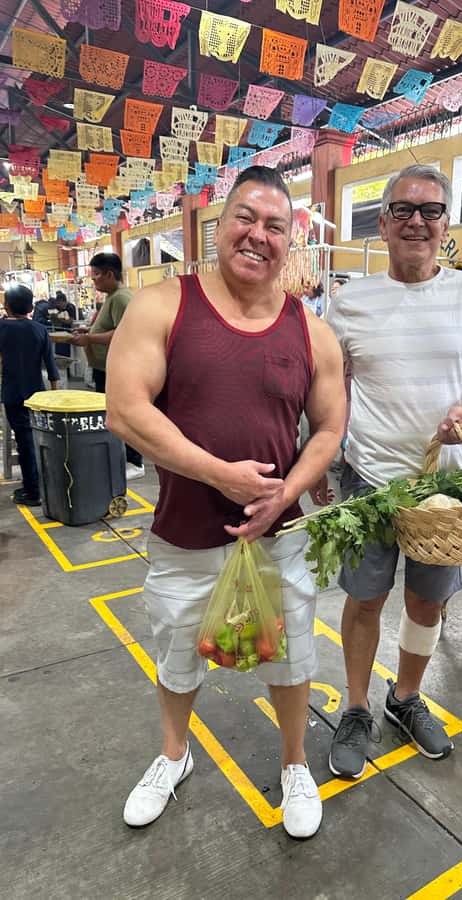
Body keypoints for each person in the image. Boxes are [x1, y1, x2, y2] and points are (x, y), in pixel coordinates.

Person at [105, 166, 345, 838]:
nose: (257, 235)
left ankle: (295, 763)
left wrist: (283, 493)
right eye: (245, 217)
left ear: (290, 240)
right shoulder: (163, 306)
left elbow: (329, 428)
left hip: (279, 533)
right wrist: (220, 476)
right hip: (185, 532)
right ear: (220, 226)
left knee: (291, 655)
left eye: (275, 225)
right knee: (176, 652)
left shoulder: (311, 331)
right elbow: (125, 410)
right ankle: (173, 755)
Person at [320, 164, 462, 778]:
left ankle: (404, 698)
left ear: (446, 223)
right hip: (369, 477)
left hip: (445, 488)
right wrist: (319, 453)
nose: (417, 222)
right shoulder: (349, 302)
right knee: (364, 599)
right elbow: (331, 389)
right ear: (383, 223)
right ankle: (355, 708)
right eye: (404, 210)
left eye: (430, 210)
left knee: (427, 603)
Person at [70, 253, 145, 480]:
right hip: (105, 368)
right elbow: (110, 327)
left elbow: (124, 333)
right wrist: (89, 331)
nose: (93, 280)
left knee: (124, 415)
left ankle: (135, 461)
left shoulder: (121, 298)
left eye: (96, 275)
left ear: (110, 274)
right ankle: (121, 457)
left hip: (118, 369)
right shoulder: (112, 297)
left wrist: (90, 339)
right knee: (112, 416)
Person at [0, 285, 59, 507]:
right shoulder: (40, 329)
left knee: (24, 442)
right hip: (37, 396)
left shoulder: (2, 327)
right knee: (37, 439)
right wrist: (54, 394)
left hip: (13, 394)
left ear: (6, 306)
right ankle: (41, 484)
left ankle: (32, 491)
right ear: (31, 307)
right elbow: (51, 365)